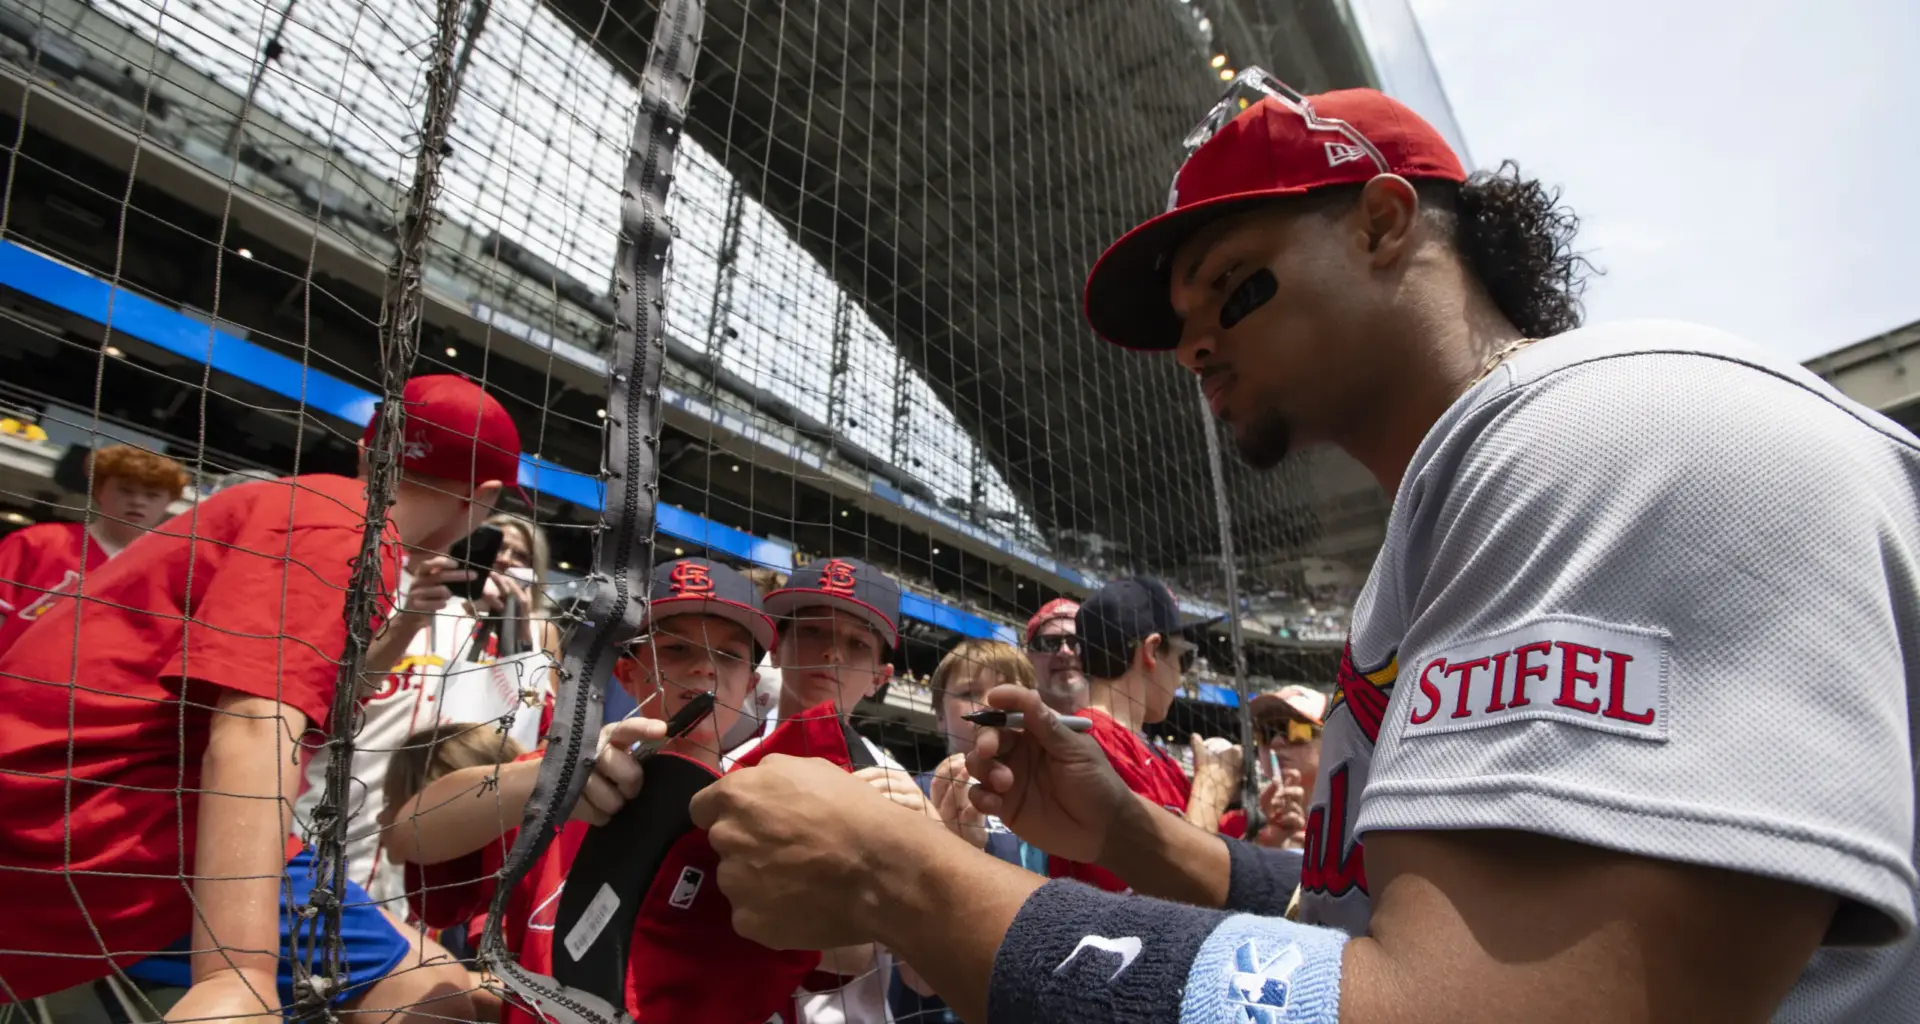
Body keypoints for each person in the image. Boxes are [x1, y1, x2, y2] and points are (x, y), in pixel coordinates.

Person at [686, 72, 1919, 1023]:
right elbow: (1356, 925)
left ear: (1384, 223)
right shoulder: (1449, 525)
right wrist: (1132, 836)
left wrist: (913, 882)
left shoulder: (1623, 433)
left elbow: (1495, 1006)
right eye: (1182, 320)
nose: (1195, 343)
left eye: (1236, 284)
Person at [0, 374, 520, 1022]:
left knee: (431, 977)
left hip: (81, 805)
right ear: (484, 496)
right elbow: (253, 720)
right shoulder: (345, 527)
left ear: (367, 454)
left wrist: (409, 622)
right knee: (430, 997)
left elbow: (316, 701)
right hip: (100, 819)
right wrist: (236, 971)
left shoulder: (310, 509)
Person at [391, 557, 841, 1024]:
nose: (705, 668)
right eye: (676, 649)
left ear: (750, 684)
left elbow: (845, 959)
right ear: (628, 673)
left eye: (728, 655)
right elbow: (410, 833)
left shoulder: (767, 809)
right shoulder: (563, 777)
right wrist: (551, 778)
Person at [299, 511, 564, 907]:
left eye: (520, 555)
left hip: (429, 837)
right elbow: (332, 696)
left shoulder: (527, 636)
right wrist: (410, 618)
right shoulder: (396, 599)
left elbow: (532, 737)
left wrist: (518, 641)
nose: (504, 559)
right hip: (337, 805)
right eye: (495, 545)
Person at [0, 443, 189, 651]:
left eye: (152, 495)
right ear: (99, 490)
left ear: (169, 501)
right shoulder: (38, 541)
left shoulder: (171, 571)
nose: (138, 501)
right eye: (125, 490)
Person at [1247, 684, 1326, 850]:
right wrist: (1260, 843)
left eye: (1295, 730)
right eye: (1267, 732)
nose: (1276, 742)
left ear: (1328, 740)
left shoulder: (1351, 822)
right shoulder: (1237, 823)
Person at [1023, 597, 1087, 713]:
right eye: (1049, 643)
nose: (1065, 652)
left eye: (1076, 642)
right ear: (1029, 656)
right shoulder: (1010, 720)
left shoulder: (1117, 719)